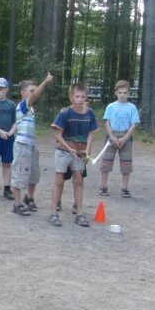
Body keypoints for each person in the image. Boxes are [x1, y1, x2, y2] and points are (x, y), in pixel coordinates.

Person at [49, 82, 99, 227]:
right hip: (64, 152)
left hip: (79, 154)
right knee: (59, 178)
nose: (80, 99)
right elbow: (57, 133)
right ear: (71, 97)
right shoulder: (65, 113)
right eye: (77, 96)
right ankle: (53, 212)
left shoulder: (90, 113)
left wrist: (88, 150)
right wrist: (69, 148)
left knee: (78, 179)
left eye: (83, 96)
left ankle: (80, 213)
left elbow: (91, 133)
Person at [10, 72, 54, 215]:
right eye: (31, 91)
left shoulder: (31, 109)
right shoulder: (23, 105)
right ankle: (17, 204)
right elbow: (35, 96)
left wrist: (35, 146)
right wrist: (45, 82)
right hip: (22, 146)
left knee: (34, 174)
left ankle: (29, 198)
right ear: (23, 93)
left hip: (31, 146)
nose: (35, 93)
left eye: (35, 90)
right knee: (20, 174)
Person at [99, 80, 140, 198]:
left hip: (126, 136)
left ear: (129, 94)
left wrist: (125, 138)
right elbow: (106, 122)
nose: (123, 95)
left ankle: (125, 188)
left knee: (126, 164)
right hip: (112, 135)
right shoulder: (111, 107)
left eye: (125, 93)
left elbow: (134, 124)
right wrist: (112, 137)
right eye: (120, 92)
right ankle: (103, 186)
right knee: (106, 162)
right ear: (116, 93)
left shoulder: (132, 107)